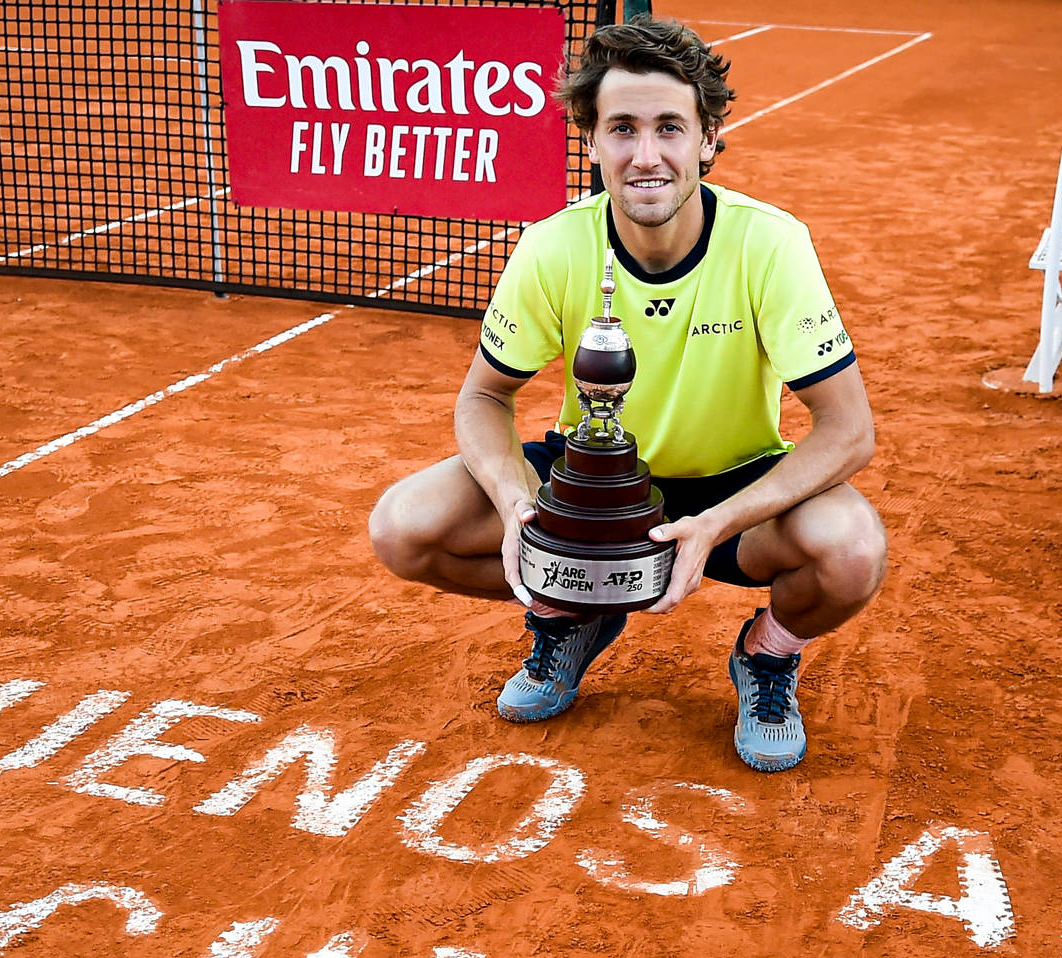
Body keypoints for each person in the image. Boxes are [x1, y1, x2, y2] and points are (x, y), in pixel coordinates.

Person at [368, 16, 886, 774]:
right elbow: (484, 398)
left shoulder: (770, 244)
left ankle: (767, 657)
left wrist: (713, 525)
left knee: (852, 551)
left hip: (732, 487)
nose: (647, 156)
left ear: (707, 138)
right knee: (403, 529)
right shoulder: (553, 244)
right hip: (594, 489)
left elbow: (849, 431)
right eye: (622, 130)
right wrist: (517, 505)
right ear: (592, 142)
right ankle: (579, 606)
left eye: (670, 128)